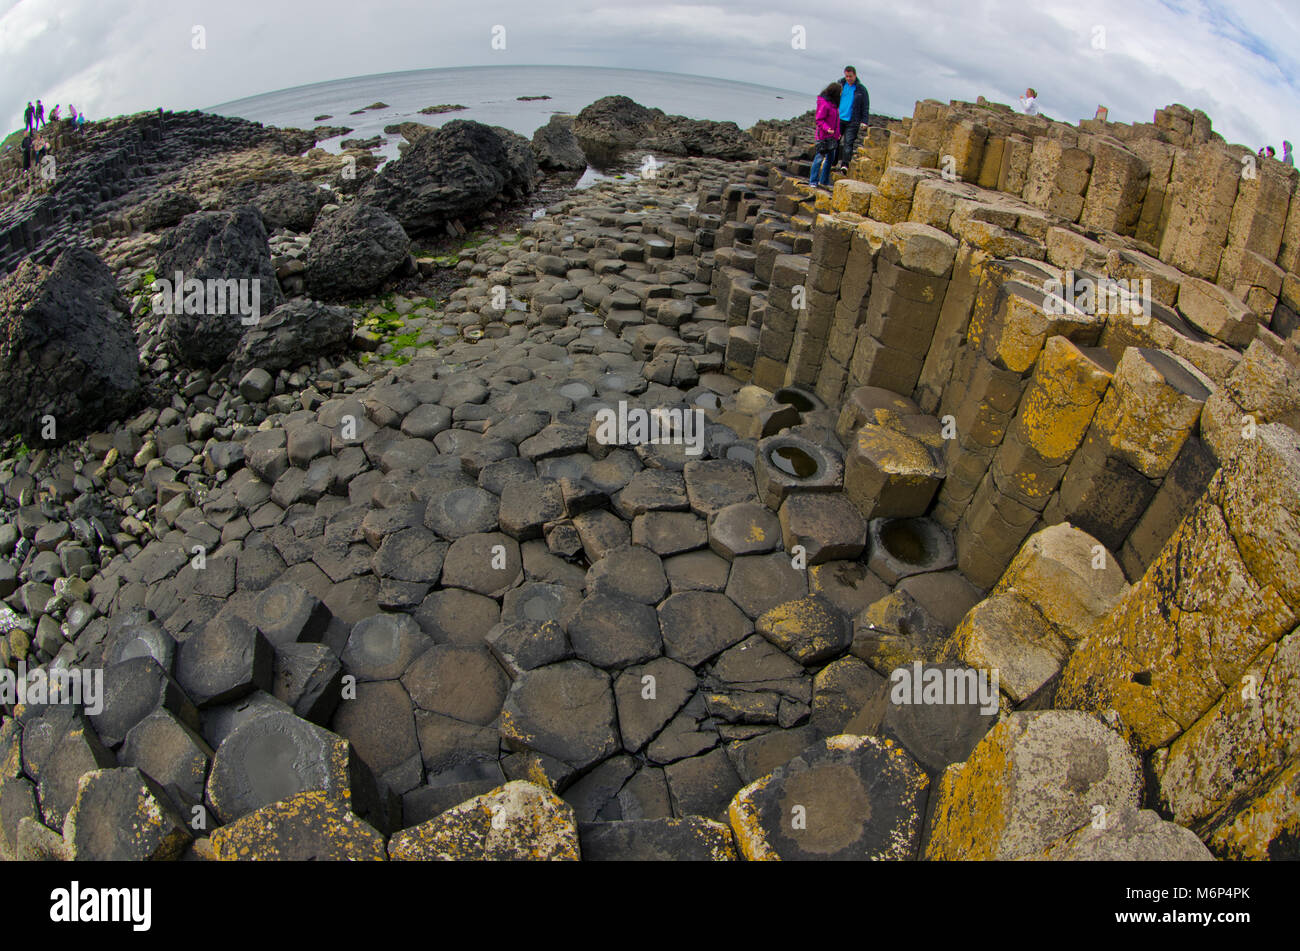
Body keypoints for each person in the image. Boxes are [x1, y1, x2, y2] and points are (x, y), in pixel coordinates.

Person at [836, 65, 870, 173]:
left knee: (848, 143)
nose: (848, 78)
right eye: (846, 76)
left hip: (853, 120)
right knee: (834, 141)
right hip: (838, 118)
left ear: (855, 75)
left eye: (850, 76)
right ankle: (833, 160)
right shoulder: (840, 85)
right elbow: (832, 98)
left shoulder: (861, 89)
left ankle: (844, 165)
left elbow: (865, 106)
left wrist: (864, 121)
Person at [810, 82, 841, 189]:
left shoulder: (834, 105)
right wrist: (827, 129)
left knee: (830, 159)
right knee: (819, 158)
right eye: (840, 92)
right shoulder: (825, 104)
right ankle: (813, 181)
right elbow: (819, 120)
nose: (841, 94)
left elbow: (836, 122)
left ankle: (824, 180)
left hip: (832, 137)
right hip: (823, 136)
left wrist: (837, 134)